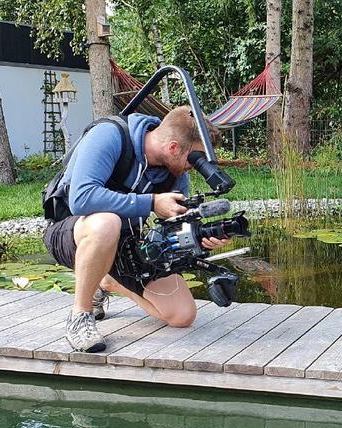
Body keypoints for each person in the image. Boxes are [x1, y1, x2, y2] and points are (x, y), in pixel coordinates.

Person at [44, 106, 228, 353]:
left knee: (182, 315)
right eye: (194, 159)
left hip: (127, 243)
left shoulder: (173, 172)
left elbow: (176, 225)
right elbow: (81, 198)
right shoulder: (110, 135)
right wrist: (152, 202)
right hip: (73, 232)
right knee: (107, 223)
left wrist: (199, 238)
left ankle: (107, 282)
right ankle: (80, 315)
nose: (193, 167)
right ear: (173, 147)